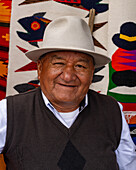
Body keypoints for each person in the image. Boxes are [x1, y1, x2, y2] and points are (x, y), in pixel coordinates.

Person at [0, 16, 136, 170]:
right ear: (39, 68)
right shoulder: (9, 112)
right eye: (58, 63)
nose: (68, 76)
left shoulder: (112, 111)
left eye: (80, 66)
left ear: (92, 73)